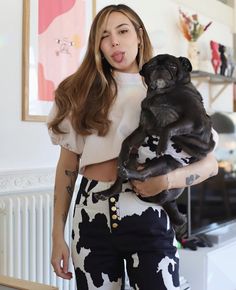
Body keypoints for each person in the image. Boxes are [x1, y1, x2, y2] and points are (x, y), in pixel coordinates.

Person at [47, 4, 218, 290]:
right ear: (97, 46)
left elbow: (210, 164)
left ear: (139, 36)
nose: (114, 40)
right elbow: (67, 167)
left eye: (123, 31)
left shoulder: (171, 89)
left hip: (148, 214)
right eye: (104, 36)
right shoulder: (78, 92)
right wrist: (56, 235)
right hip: (90, 216)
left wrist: (167, 180)